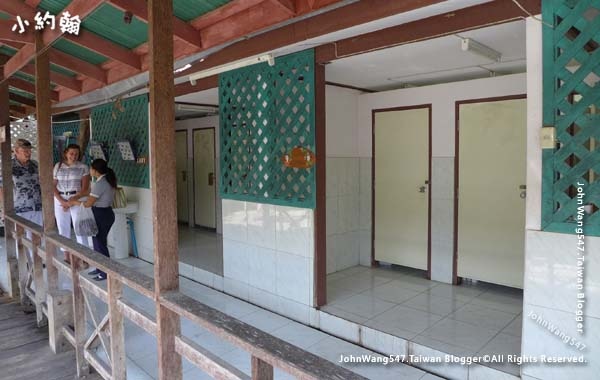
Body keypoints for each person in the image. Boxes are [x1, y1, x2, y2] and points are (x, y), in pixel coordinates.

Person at [69, 159, 116, 281]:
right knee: (97, 243)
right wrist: (79, 197)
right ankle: (100, 268)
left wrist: (74, 202)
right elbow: (91, 196)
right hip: (104, 213)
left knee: (100, 244)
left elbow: (88, 204)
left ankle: (105, 272)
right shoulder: (104, 180)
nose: (90, 170)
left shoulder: (101, 183)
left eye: (91, 168)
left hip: (101, 214)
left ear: (95, 170)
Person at [53, 144, 91, 263]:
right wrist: (62, 201)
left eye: (76, 154)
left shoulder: (83, 167)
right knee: (62, 227)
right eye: (71, 153)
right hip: (60, 198)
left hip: (76, 198)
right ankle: (66, 255)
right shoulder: (58, 166)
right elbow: (53, 186)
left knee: (80, 227)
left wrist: (70, 202)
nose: (74, 156)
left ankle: (83, 256)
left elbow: (85, 189)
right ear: (66, 153)